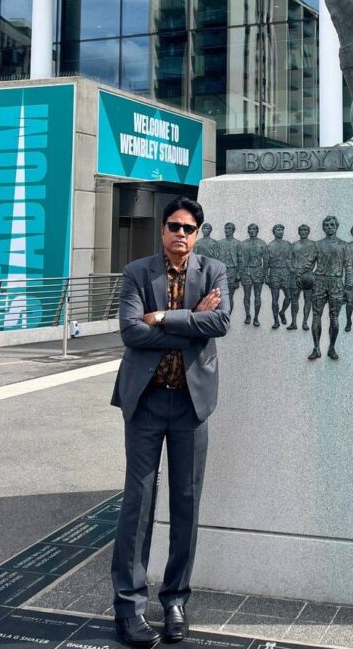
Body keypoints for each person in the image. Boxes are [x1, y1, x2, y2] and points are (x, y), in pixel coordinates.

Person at [110, 196, 230, 647]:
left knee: (186, 503)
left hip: (191, 405)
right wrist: (190, 321)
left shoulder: (213, 271)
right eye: (174, 226)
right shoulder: (138, 272)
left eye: (189, 228)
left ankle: (175, 599)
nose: (181, 234)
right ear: (162, 230)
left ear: (198, 234)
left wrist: (164, 317)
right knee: (138, 504)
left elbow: (219, 322)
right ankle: (128, 608)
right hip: (145, 401)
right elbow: (129, 331)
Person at [308, 215, 352, 361]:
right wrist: (303, 277)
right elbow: (309, 264)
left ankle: (332, 348)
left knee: (334, 317)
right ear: (323, 227)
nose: (329, 227)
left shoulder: (344, 245)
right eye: (326, 225)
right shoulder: (317, 244)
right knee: (316, 315)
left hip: (336, 282)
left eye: (332, 225)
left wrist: (348, 287)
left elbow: (349, 267)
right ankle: (316, 348)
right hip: (319, 281)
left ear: (337, 226)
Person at [289, 224, 318, 331]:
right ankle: (293, 322)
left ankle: (305, 322)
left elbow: (315, 259)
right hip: (295, 275)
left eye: (305, 230)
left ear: (308, 232)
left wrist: (309, 271)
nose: (303, 231)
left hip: (308, 275)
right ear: (298, 232)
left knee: (308, 299)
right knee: (294, 299)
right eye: (301, 230)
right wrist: (292, 269)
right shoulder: (294, 244)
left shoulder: (313, 244)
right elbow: (289, 259)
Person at [239, 223, 268, 326]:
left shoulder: (262, 243)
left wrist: (265, 275)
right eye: (250, 229)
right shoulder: (243, 244)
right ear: (248, 231)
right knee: (246, 296)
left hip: (258, 271)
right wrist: (240, 273)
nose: (252, 231)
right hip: (246, 272)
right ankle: (248, 315)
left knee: (257, 296)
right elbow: (240, 260)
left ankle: (256, 317)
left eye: (254, 229)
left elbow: (266, 260)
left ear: (257, 231)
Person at [266, 224, 293, 328]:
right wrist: (266, 275)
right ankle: (276, 320)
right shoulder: (269, 246)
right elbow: (266, 263)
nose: (280, 231)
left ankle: (282, 312)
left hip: (285, 273)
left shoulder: (288, 244)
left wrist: (291, 271)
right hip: (274, 272)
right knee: (275, 298)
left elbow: (290, 259)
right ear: (274, 232)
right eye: (278, 229)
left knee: (289, 297)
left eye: (282, 229)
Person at [216, 222, 240, 310]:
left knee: (230, 296)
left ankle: (228, 318)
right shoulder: (219, 243)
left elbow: (240, 259)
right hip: (221, 271)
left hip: (232, 272)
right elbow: (216, 258)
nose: (227, 230)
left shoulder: (238, 243)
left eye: (229, 228)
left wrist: (239, 273)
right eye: (226, 228)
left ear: (233, 230)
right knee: (220, 295)